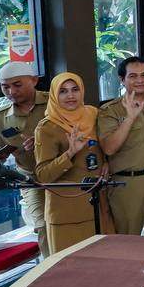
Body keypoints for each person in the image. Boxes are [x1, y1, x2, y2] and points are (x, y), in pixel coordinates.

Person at [98, 56, 144, 238]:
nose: (140, 80)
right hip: (127, 184)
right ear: (122, 80)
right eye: (133, 76)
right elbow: (109, 148)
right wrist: (130, 118)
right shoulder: (110, 110)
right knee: (128, 244)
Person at [34, 72, 106, 253]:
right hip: (67, 212)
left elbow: (105, 148)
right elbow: (43, 175)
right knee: (71, 272)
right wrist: (70, 153)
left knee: (106, 268)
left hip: (98, 206)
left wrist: (107, 162)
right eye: (63, 91)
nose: (71, 96)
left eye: (75, 90)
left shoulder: (93, 114)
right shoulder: (47, 127)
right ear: (54, 95)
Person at [0, 62, 50, 256]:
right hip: (32, 181)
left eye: (17, 84)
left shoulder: (55, 102)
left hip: (65, 176)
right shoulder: (0, 117)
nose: (11, 91)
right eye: (5, 87)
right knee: (43, 226)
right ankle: (52, 274)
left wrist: (43, 142)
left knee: (71, 225)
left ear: (34, 80)